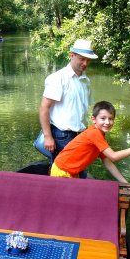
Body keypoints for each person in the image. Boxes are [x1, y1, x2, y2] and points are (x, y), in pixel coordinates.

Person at [50, 101, 130, 192]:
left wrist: (126, 184)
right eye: (103, 118)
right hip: (62, 171)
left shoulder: (100, 137)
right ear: (94, 119)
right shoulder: (94, 134)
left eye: (111, 119)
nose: (107, 122)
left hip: (69, 171)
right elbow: (114, 156)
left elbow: (109, 163)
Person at [39, 39, 98, 170]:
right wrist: (48, 137)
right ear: (72, 55)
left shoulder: (85, 81)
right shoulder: (57, 78)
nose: (85, 63)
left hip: (81, 134)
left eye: (88, 60)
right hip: (62, 135)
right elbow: (44, 108)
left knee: (79, 170)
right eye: (82, 59)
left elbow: (83, 110)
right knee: (63, 173)